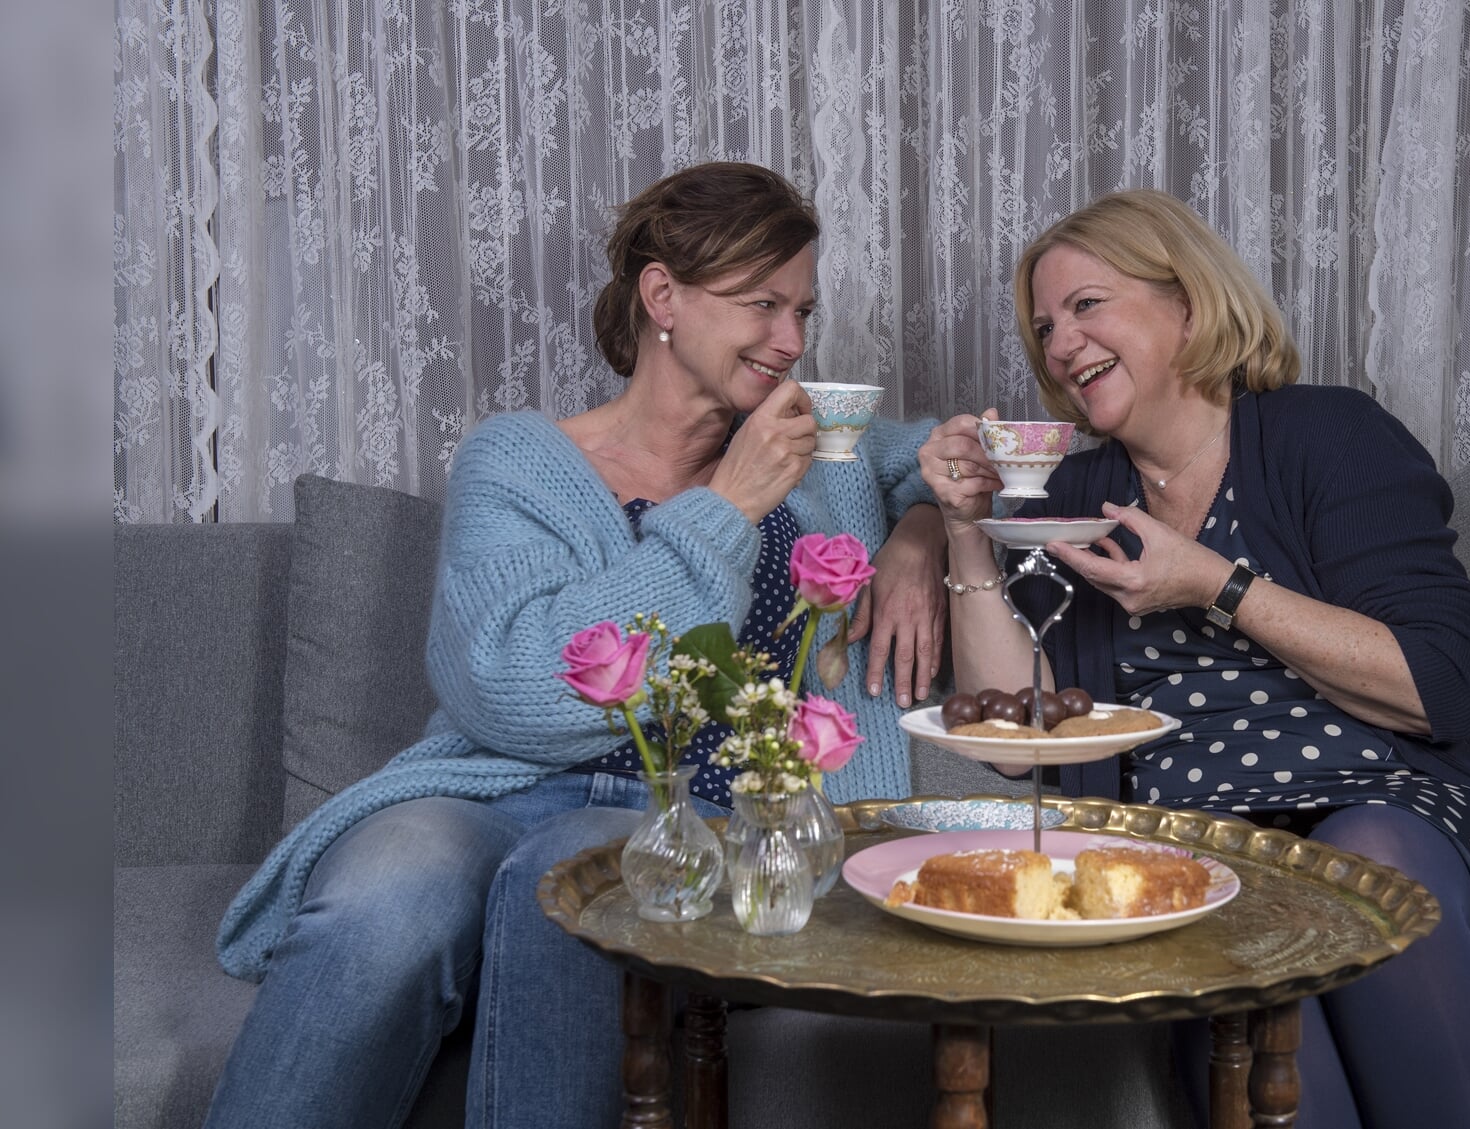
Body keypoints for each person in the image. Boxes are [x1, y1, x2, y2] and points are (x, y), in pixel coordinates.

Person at [203, 162, 948, 1129]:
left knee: (565, 884)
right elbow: (515, 687)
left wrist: (921, 532)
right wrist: (725, 511)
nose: (792, 341)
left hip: (691, 809)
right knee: (383, 910)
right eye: (762, 304)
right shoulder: (518, 459)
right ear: (662, 296)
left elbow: (938, 454)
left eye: (804, 309)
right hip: (489, 786)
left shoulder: (818, 454)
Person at [919, 189, 1470, 1129]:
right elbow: (1015, 738)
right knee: (1231, 914)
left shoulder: (1324, 433)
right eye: (1044, 326)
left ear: (1191, 304)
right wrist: (966, 532)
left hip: (1396, 810)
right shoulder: (1075, 492)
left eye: (1088, 305)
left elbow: (1437, 688)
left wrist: (1215, 583)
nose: (1057, 344)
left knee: (1357, 859)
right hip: (1205, 853)